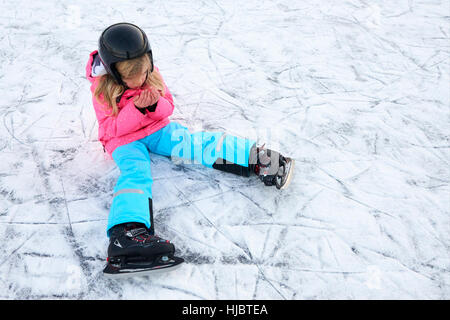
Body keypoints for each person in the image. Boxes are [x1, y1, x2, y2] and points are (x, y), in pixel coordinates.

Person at [85, 22, 294, 277]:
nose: (140, 79)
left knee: (193, 142)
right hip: (124, 140)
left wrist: (153, 106)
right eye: (131, 76)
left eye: (143, 71)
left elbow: (168, 108)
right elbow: (112, 129)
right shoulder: (102, 89)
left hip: (156, 128)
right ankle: (127, 234)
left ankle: (254, 159)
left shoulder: (150, 74)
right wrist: (136, 109)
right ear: (114, 73)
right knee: (136, 174)